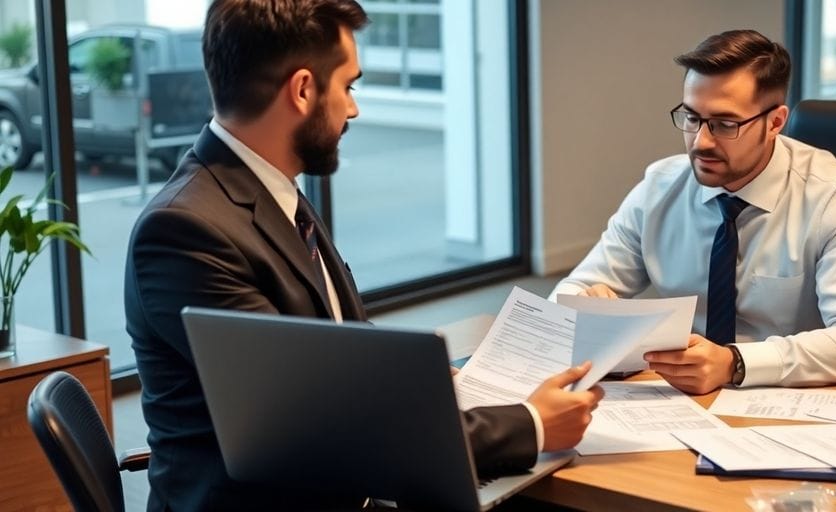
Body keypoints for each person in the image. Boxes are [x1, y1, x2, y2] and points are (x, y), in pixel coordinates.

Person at [124, 1, 603, 510]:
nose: (354, 109)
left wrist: (428, 381)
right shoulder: (185, 231)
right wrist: (529, 423)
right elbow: (323, 426)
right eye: (349, 86)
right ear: (304, 90)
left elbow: (335, 349)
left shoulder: (270, 192)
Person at [551, 29, 836, 395]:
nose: (701, 142)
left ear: (775, 122)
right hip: (681, 399)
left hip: (790, 403)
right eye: (691, 118)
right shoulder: (659, 188)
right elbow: (567, 293)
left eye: (725, 124)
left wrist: (734, 363)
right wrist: (582, 305)